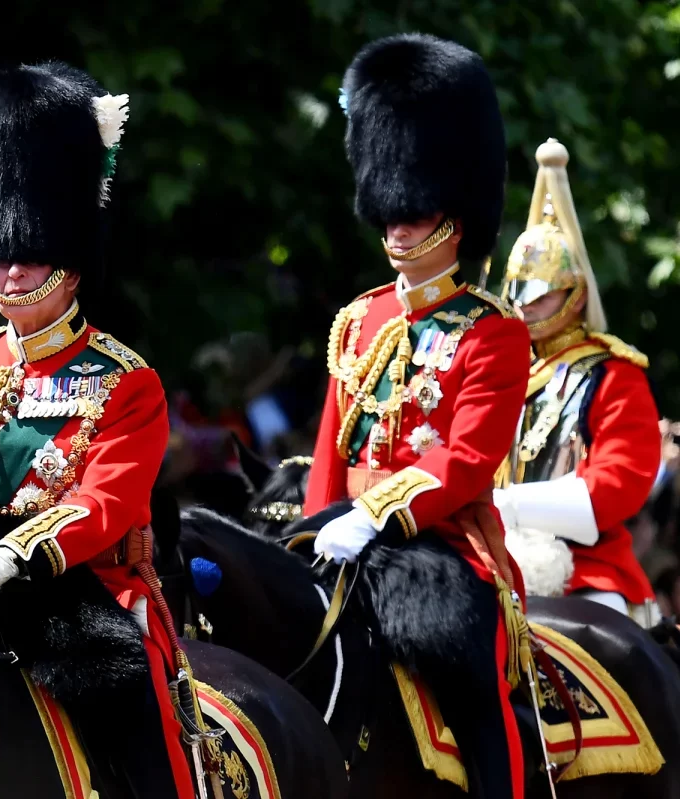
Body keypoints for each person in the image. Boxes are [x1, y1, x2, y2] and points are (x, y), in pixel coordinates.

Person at [0, 62, 194, 799]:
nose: (9, 271)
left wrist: (12, 556)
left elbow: (105, 505)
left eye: (28, 253)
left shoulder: (125, 378)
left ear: (68, 260)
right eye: (0, 255)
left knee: (133, 725)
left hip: (83, 590)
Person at [303, 34, 531, 799]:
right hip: (344, 535)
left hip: (442, 543)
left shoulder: (492, 331)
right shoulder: (356, 321)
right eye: (391, 211)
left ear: (455, 218)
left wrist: (373, 515)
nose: (398, 226)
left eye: (417, 210)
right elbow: (330, 450)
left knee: (469, 672)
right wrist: (314, 530)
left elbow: (467, 460)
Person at [493, 138, 662, 628]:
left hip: (582, 570)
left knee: (599, 642)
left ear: (572, 293)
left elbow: (617, 486)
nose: (526, 306)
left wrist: (506, 504)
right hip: (487, 557)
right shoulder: (497, 369)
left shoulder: (614, 375)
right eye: (519, 293)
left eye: (542, 296)